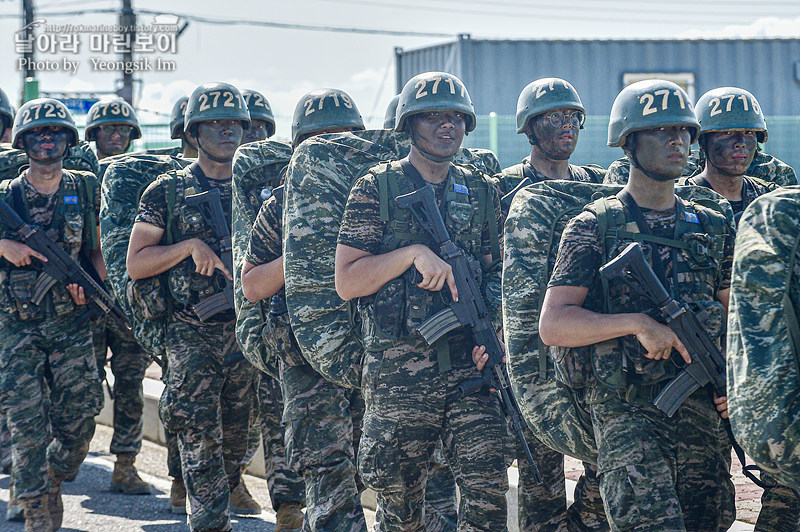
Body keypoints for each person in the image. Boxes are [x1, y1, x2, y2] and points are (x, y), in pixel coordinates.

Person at [538, 80, 735, 531]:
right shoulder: (594, 226)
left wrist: (734, 384)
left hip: (702, 408)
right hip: (627, 411)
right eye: (661, 131)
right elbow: (554, 324)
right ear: (628, 141)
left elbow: (733, 317)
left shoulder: (712, 224)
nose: (677, 141)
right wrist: (635, 324)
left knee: (710, 520)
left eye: (684, 131)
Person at [335, 71, 509, 530]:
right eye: (432, 116)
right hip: (400, 373)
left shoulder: (481, 190)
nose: (446, 125)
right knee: (400, 502)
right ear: (410, 124)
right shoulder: (377, 188)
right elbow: (348, 281)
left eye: (455, 117)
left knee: (489, 489)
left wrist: (492, 333)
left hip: (470, 368)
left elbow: (496, 273)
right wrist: (412, 254)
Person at [127, 82, 257, 532]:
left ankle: (216, 493)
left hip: (247, 330)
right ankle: (208, 520)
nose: (228, 131)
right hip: (191, 329)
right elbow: (138, 263)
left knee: (239, 436)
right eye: (216, 123)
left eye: (235, 123)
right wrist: (188, 247)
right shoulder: (166, 191)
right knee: (198, 429)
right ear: (193, 131)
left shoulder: (257, 186)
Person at [242, 87, 368, 532]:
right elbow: (253, 285)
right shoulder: (280, 205)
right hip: (303, 353)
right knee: (325, 460)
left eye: (343, 136)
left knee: (367, 457)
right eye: (321, 139)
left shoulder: (374, 197)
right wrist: (303, 252)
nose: (334, 147)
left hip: (365, 347)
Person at [686, 86, 799, 531]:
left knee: (788, 490)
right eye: (727, 134)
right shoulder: (680, 204)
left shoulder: (774, 204)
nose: (740, 144)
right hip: (698, 365)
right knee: (709, 503)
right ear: (703, 142)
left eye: (749, 135)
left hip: (769, 358)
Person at [500, 77, 607, 532]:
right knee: (539, 470)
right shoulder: (502, 188)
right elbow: (488, 263)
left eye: (573, 117)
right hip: (525, 344)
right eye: (554, 118)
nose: (567, 126)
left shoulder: (597, 186)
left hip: (582, 337)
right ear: (528, 128)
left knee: (602, 465)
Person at [0, 98, 105, 531]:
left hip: (71, 322)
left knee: (81, 418)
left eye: (56, 132)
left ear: (68, 139)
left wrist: (96, 291)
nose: (47, 139)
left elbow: (95, 250)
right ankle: (34, 505)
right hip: (15, 325)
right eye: (39, 133)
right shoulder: (6, 195)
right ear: (23, 142)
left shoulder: (82, 187)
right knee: (26, 421)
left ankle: (54, 474)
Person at [230, 89, 306, 528]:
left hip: (347, 338)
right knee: (267, 416)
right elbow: (254, 279)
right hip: (274, 329)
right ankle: (286, 503)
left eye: (259, 127)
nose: (250, 136)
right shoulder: (270, 198)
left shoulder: (367, 194)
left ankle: (298, 507)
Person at [83, 98, 156, 497]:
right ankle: (69, 447)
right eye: (108, 129)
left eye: (123, 129)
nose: (115, 135)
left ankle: (125, 464)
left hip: (128, 298)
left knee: (130, 382)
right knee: (81, 383)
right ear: (93, 134)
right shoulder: (78, 175)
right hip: (86, 296)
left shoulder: (140, 175)